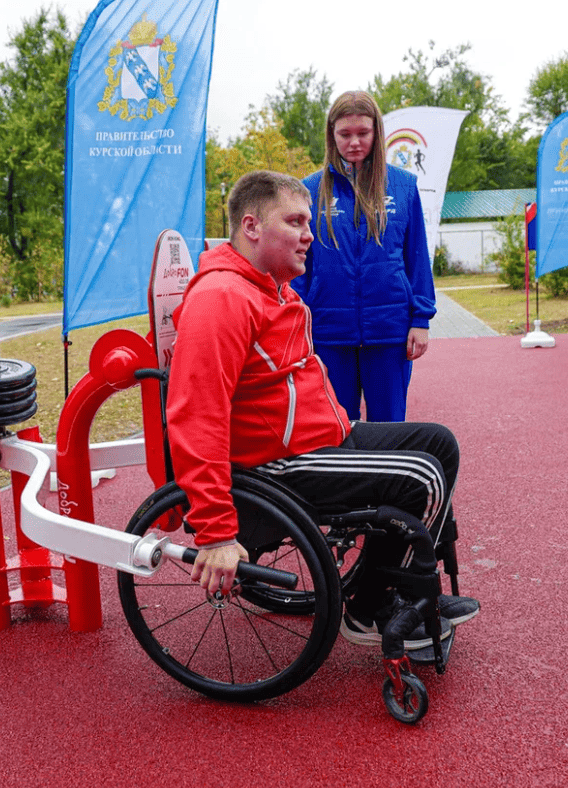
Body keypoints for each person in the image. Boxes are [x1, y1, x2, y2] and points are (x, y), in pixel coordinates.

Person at [165, 170, 478, 650]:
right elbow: (195, 416)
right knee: (422, 476)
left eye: (309, 221)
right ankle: (374, 606)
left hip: (316, 440)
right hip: (276, 465)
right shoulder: (222, 298)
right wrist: (215, 532)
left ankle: (384, 588)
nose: (310, 234)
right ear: (251, 227)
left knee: (439, 443)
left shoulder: (267, 287)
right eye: (295, 222)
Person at [294, 90, 436, 423]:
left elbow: (417, 257)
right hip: (328, 332)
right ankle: (345, 478)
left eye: (363, 133)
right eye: (344, 134)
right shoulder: (309, 191)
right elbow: (299, 263)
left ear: (377, 132)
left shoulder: (402, 186)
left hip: (390, 332)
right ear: (332, 135)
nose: (354, 142)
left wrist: (420, 320)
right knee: (335, 424)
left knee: (388, 426)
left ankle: (388, 478)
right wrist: (297, 321)